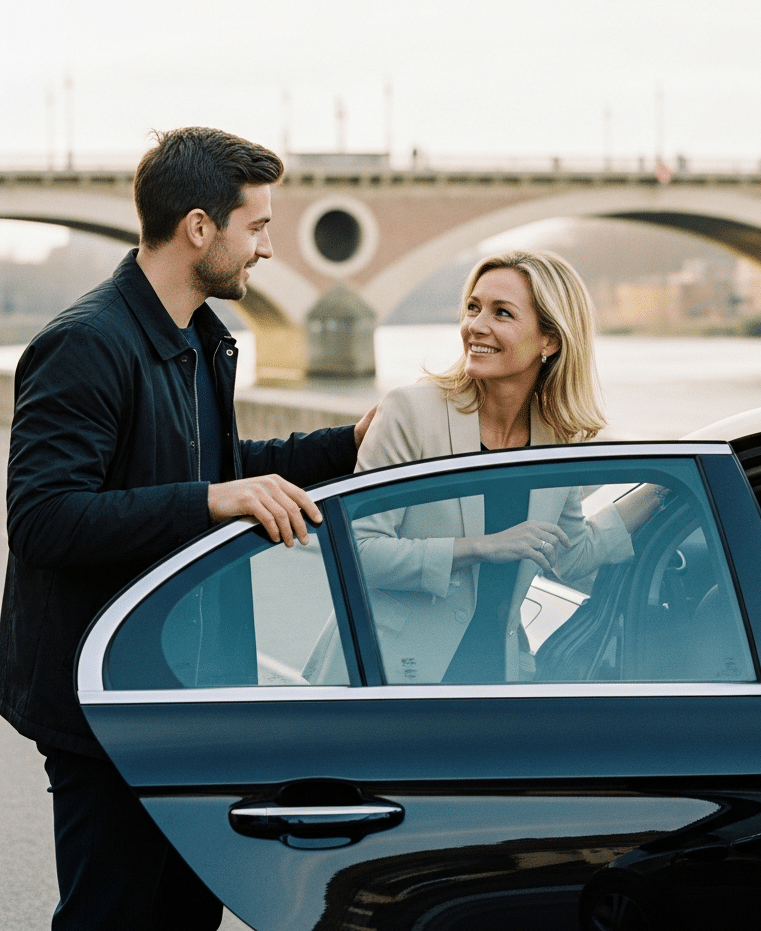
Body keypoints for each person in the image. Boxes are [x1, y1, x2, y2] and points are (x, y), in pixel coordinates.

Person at [0, 127, 373, 930]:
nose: (268, 249)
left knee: (183, 915)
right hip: (106, 704)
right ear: (199, 228)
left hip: (185, 695)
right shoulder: (87, 344)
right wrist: (211, 502)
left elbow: (229, 462)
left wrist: (348, 444)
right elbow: (42, 519)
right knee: (114, 915)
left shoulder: (198, 339)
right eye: (258, 227)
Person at [352, 248, 661, 684]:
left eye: (502, 313)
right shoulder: (410, 412)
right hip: (388, 677)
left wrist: (666, 486)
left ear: (549, 340)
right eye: (473, 308)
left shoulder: (557, 437)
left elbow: (571, 552)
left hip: (497, 673)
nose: (476, 326)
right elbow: (356, 553)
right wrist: (481, 546)